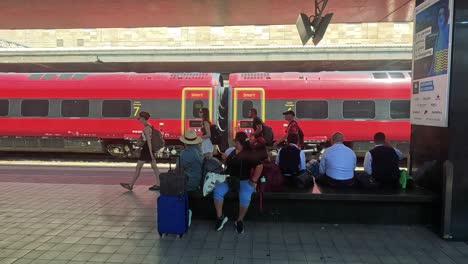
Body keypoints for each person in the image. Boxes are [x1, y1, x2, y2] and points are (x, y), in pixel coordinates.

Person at [213, 132, 263, 234]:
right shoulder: (232, 151)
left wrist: (254, 180)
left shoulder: (249, 153)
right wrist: (225, 160)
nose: (234, 142)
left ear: (239, 142)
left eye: (235, 141)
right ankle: (220, 217)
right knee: (217, 190)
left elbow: (259, 165)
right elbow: (227, 165)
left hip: (244, 180)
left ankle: (239, 220)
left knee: (245, 196)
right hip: (229, 179)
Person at [120, 111, 161, 191]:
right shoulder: (150, 126)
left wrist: (150, 153)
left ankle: (131, 185)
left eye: (140, 118)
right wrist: (140, 149)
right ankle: (159, 184)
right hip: (147, 149)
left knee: (139, 167)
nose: (139, 120)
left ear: (143, 118)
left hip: (147, 150)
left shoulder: (146, 128)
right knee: (154, 167)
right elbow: (146, 141)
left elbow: (148, 141)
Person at [429, 5, 450, 77]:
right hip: (438, 76)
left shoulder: (449, 29)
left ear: (446, 16)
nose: (441, 17)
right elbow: (435, 59)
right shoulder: (438, 35)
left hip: (444, 75)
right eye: (439, 14)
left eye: (443, 14)